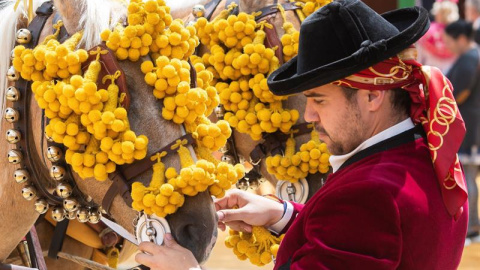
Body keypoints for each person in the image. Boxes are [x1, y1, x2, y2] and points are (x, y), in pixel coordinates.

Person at [135, 0, 469, 269]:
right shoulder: (427, 147)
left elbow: (360, 223)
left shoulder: (367, 196)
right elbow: (359, 242)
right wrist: (284, 216)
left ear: (372, 96)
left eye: (319, 100)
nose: (310, 116)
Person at [443, 20, 480, 243]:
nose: (448, 46)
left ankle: (472, 226)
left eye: (449, 42)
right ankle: (472, 225)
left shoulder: (470, 58)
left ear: (462, 39)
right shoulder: (472, 57)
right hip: (472, 123)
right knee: (468, 176)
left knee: (467, 176)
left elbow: (461, 93)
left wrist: (444, 106)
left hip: (471, 125)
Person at [417, 0, 458, 72]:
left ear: (437, 13)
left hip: (431, 73)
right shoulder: (458, 34)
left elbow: (419, 57)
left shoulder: (427, 32)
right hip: (452, 74)